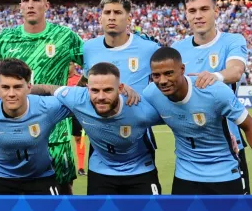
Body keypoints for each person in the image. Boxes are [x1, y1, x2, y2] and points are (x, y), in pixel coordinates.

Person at [0, 0, 84, 195]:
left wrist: (81, 89)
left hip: (55, 131)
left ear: (46, 5)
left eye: (36, 0)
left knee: (63, 191)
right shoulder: (5, 39)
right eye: (26, 0)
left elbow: (93, 65)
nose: (31, 5)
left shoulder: (65, 37)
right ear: (20, 6)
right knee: (10, 189)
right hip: (13, 129)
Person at [144, 47, 252, 195]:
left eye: (169, 73)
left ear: (182, 69)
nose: (162, 81)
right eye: (156, 75)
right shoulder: (151, 94)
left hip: (225, 174)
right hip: (185, 175)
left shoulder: (214, 92)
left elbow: (250, 127)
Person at [31, 62, 164, 195]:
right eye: (94, 90)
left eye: (108, 90)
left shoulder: (140, 109)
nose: (100, 97)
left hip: (140, 170)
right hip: (101, 170)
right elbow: (47, 88)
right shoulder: (77, 98)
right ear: (87, 88)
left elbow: (175, 115)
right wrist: (21, 91)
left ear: (120, 88)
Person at [171, 0, 251, 193]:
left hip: (228, 145)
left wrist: (215, 76)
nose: (198, 15)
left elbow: (235, 70)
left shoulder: (233, 40)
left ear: (216, 11)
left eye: (204, 9)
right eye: (192, 10)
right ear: (186, 15)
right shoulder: (177, 49)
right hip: (189, 152)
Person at [0, 59, 69, 195]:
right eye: (5, 87)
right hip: (0, 179)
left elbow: (83, 100)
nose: (11, 93)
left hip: (41, 178)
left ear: (29, 87)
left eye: (17, 87)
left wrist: (46, 88)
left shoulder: (48, 107)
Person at [82, 0, 161, 94]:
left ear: (129, 19)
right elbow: (86, 80)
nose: (111, 17)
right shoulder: (88, 47)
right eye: (107, 12)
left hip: (136, 108)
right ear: (100, 19)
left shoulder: (150, 48)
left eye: (117, 12)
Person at [67, 62, 86, 176]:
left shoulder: (80, 80)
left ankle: (81, 167)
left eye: (69, 64)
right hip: (62, 115)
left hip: (77, 115)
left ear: (74, 65)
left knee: (80, 140)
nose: (68, 67)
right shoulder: (60, 79)